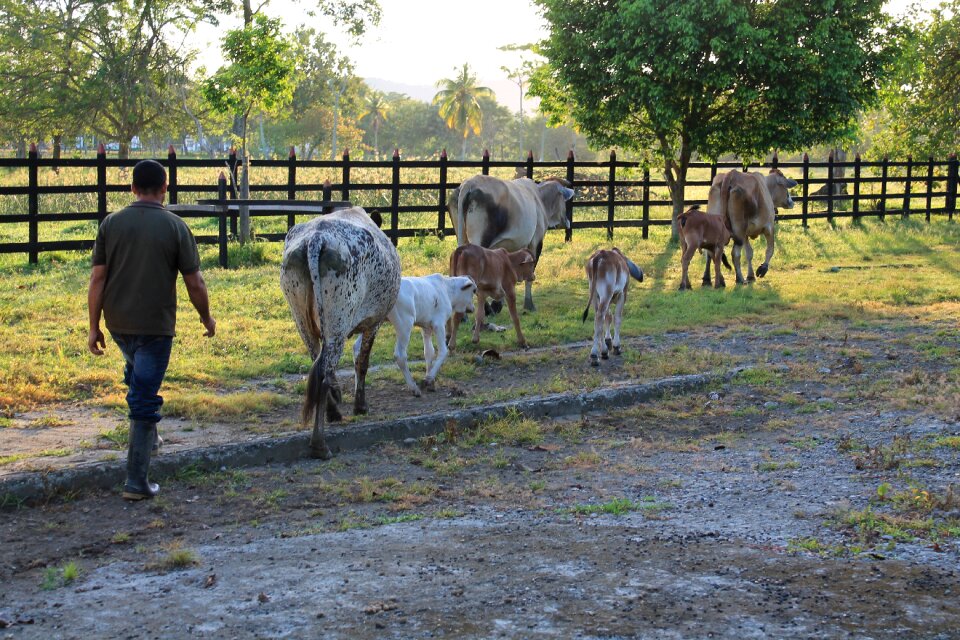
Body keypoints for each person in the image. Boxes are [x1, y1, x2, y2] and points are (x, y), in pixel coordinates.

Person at [87, 159, 216, 501]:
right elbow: (195, 283)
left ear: (132, 188)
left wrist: (93, 327)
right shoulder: (176, 227)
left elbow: (97, 278)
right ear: (165, 188)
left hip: (117, 323)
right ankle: (136, 481)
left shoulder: (110, 224)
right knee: (144, 395)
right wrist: (206, 318)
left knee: (137, 371)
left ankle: (152, 439)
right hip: (156, 327)